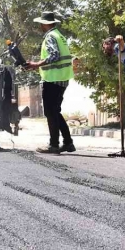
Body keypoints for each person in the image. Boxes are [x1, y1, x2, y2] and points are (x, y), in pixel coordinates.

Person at [24, 11, 76, 154]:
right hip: (62, 78)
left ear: (44, 24)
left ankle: (54, 145)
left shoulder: (50, 37)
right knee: (55, 112)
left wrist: (36, 64)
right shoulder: (59, 36)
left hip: (53, 79)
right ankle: (68, 143)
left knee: (50, 112)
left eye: (41, 23)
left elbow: (54, 56)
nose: (40, 25)